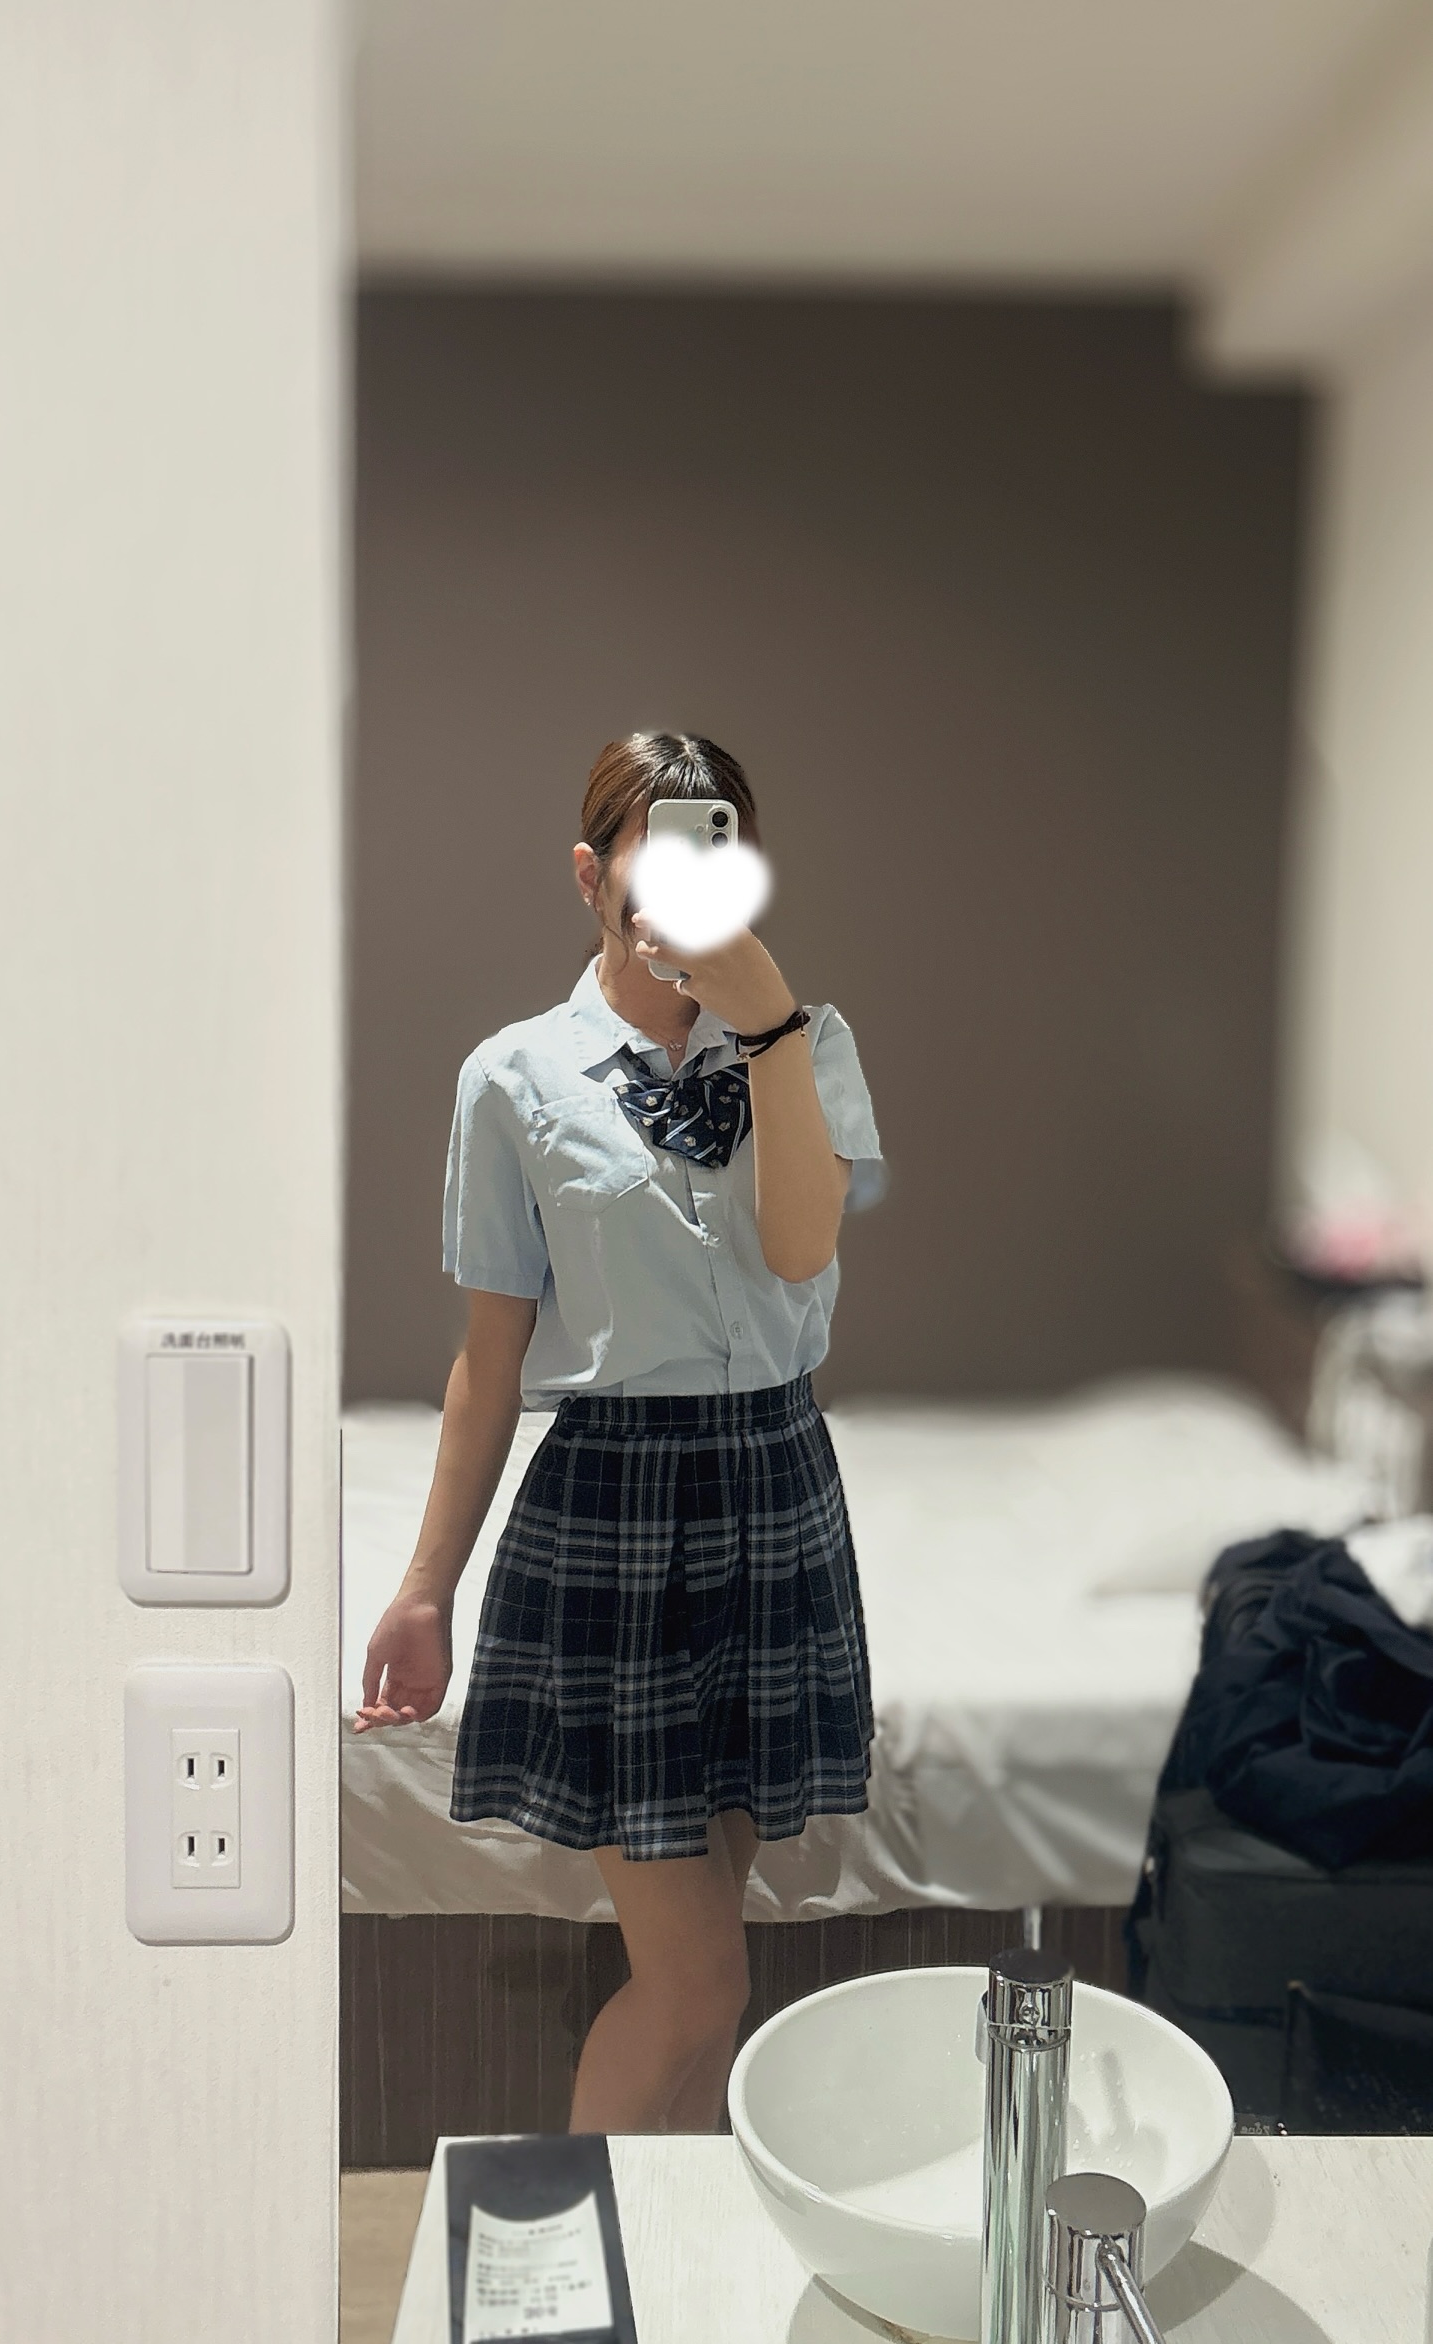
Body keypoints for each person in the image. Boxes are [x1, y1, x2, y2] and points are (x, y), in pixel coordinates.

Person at [353, 730, 887, 2136]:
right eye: (658, 860)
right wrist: (426, 1586)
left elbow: (798, 1248)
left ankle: (662, 2240)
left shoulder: (811, 1042)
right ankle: (579, 2236)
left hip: (775, 1490)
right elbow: (489, 1361)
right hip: (612, 1512)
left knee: (707, 1967)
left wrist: (764, 1021)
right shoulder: (513, 1077)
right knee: (700, 1980)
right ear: (591, 878)